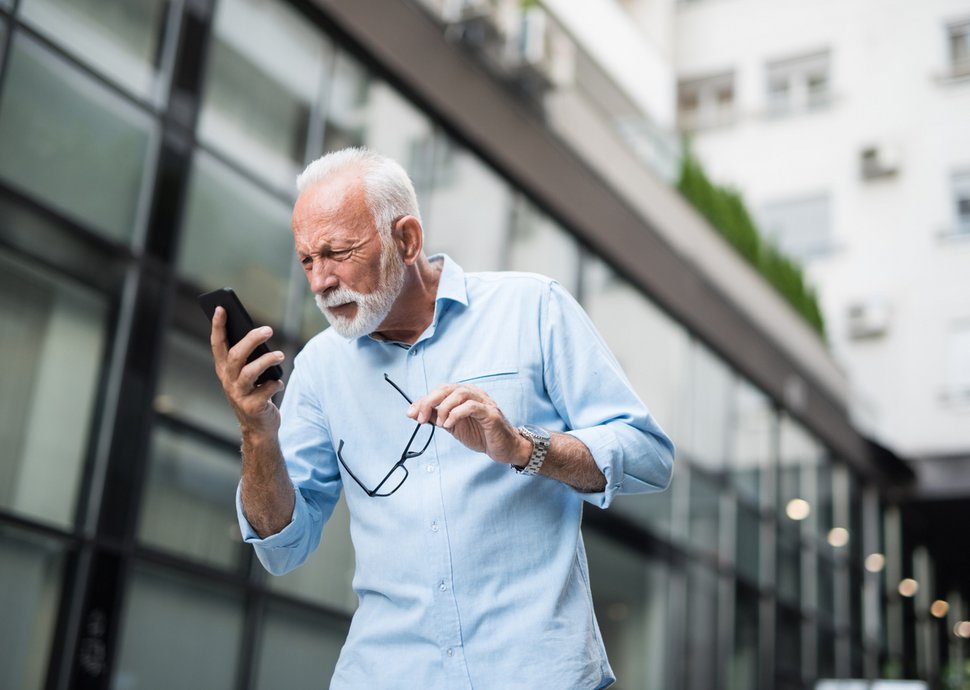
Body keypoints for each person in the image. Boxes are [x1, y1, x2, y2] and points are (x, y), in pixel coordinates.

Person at [208, 147, 674, 689]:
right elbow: (281, 547)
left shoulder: (532, 309)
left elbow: (649, 457)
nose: (320, 282)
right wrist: (256, 431)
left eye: (337, 252)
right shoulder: (317, 370)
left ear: (406, 240)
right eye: (308, 260)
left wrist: (525, 448)